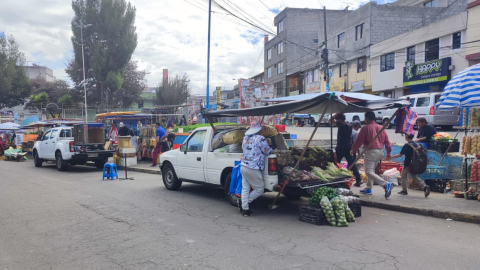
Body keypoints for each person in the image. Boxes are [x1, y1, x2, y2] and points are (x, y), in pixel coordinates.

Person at [351, 111, 394, 198]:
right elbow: (387, 142)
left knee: (368, 171)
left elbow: (359, 141)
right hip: (380, 152)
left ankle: (385, 184)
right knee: (372, 170)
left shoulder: (365, 128)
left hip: (371, 152)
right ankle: (368, 188)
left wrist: (353, 150)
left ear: (367, 118)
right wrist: (388, 152)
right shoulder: (381, 127)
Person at [240, 121, 272, 217]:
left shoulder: (245, 138)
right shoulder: (260, 138)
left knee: (245, 188)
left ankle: (245, 208)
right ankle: (244, 204)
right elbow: (267, 151)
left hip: (243, 166)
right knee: (259, 189)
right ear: (259, 130)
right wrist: (273, 150)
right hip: (253, 167)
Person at [331, 114, 362, 187]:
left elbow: (330, 120)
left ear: (339, 120)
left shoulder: (341, 124)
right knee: (352, 163)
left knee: (335, 163)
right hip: (348, 147)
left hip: (341, 147)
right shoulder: (349, 124)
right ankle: (358, 179)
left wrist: (336, 114)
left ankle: (334, 179)